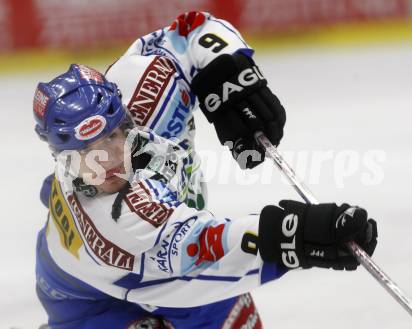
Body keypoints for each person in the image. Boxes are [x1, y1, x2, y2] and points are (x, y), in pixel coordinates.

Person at [33, 11, 378, 329]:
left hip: (156, 269)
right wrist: (295, 233)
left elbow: (191, 32)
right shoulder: (117, 218)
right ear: (62, 158)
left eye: (109, 138)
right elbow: (202, 247)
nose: (105, 160)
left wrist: (231, 76)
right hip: (83, 297)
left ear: (127, 121)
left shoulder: (146, 91)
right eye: (84, 153)